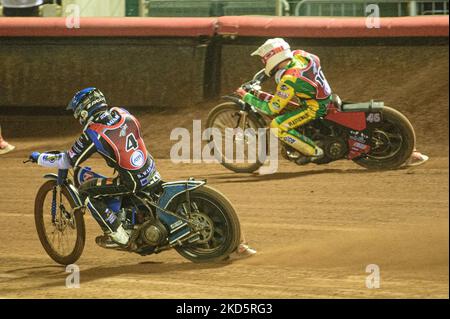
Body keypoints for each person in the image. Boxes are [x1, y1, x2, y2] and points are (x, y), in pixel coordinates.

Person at [28, 87, 256, 257]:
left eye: (77, 112)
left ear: (84, 110)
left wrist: (39, 157)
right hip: (149, 169)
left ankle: (119, 235)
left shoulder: (93, 133)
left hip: (132, 181)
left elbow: (68, 160)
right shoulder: (123, 113)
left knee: (88, 191)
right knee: (120, 180)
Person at [237, 38, 331, 164]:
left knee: (277, 126)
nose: (263, 62)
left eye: (264, 59)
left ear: (271, 57)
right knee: (278, 100)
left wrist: (246, 96)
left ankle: (314, 152)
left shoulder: (289, 79)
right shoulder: (300, 55)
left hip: (314, 107)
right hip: (321, 96)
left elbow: (271, 108)